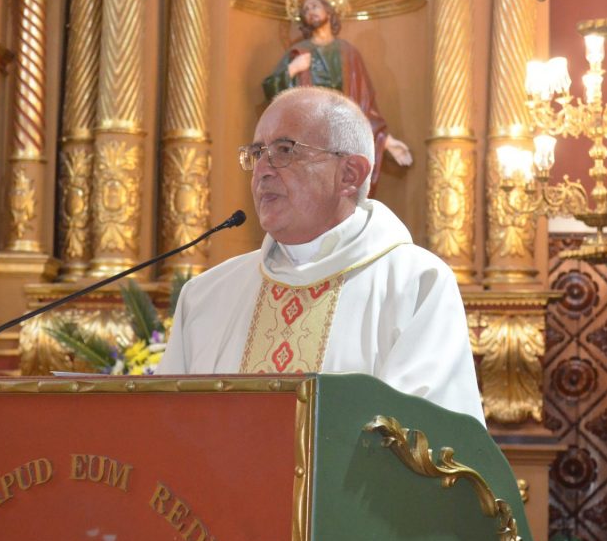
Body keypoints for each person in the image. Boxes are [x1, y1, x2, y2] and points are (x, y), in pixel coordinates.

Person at [158, 87, 484, 425]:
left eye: (285, 150)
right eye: (257, 153)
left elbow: (428, 437)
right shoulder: (205, 297)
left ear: (350, 174)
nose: (262, 170)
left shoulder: (416, 285)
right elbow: (166, 431)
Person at [262, 0, 412, 193]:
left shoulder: (347, 52)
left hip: (341, 136)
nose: (310, 12)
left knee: (342, 190)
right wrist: (293, 69)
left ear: (328, 11)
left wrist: (385, 140)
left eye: (315, 6)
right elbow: (270, 89)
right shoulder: (298, 52)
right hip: (309, 135)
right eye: (306, 10)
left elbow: (363, 103)